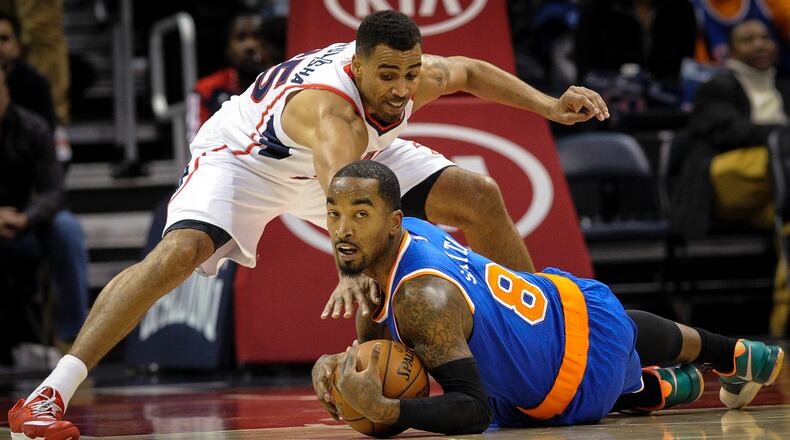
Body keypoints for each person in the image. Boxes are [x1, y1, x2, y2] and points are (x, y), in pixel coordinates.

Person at [7, 10, 611, 438]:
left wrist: (550, 104)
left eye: (411, 75)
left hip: (341, 167)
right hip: (247, 159)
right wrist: (346, 267)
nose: (403, 92)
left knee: (478, 194)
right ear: (359, 65)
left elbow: (472, 72)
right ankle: (48, 394)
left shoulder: (409, 78)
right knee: (176, 256)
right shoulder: (333, 113)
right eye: (389, 78)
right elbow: (342, 197)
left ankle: (545, 339)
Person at [312, 160, 785, 434]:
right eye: (334, 215)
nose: (343, 230)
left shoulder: (422, 299)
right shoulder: (412, 233)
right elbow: (380, 339)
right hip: (549, 307)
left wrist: (386, 410)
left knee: (611, 344)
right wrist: (336, 370)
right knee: (619, 328)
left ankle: (662, 384)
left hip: (560, 383)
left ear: (392, 221)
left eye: (360, 214)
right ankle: (736, 356)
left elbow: (472, 409)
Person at [675, 19, 790, 337]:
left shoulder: (784, 88)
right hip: (725, 183)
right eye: (747, 39)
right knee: (774, 155)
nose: (759, 44)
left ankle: (782, 324)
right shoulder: (715, 87)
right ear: (730, 50)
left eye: (765, 37)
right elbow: (734, 131)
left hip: (776, 190)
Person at [0, 67, 65, 358]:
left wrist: (26, 217)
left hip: (25, 224)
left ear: (7, 94)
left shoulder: (33, 128)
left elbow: (54, 190)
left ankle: (71, 336)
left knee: (68, 231)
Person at [186, 13, 279, 142]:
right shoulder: (206, 89)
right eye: (241, 38)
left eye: (257, 37)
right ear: (228, 47)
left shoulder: (283, 81)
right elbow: (196, 143)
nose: (250, 45)